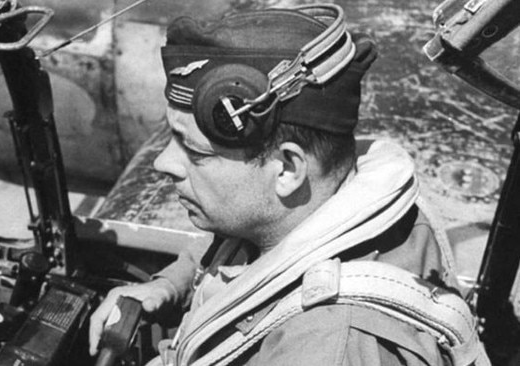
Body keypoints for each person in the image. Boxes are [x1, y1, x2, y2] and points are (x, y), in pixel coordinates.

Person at [89, 5, 490, 366]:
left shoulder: (328, 349)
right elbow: (238, 250)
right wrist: (167, 285)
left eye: (194, 152)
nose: (163, 163)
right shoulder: (317, 208)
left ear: (287, 169)